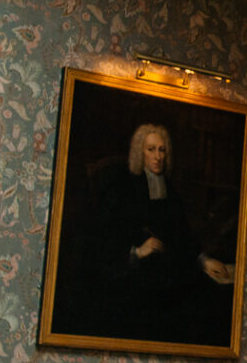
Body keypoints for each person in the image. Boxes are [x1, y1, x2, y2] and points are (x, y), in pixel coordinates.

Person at [84, 123, 233, 344]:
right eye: (151, 149)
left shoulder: (170, 191)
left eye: (162, 150)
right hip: (136, 275)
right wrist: (137, 251)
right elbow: (107, 237)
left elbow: (182, 233)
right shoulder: (123, 189)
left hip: (170, 269)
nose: (157, 156)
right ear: (139, 153)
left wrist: (204, 260)